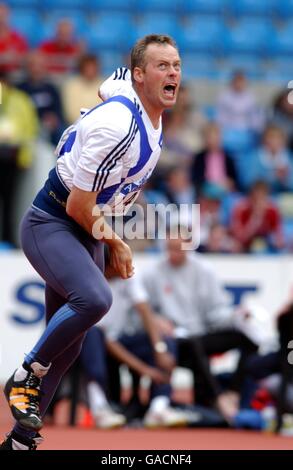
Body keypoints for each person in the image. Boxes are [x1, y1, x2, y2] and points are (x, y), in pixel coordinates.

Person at [0, 34, 181, 450]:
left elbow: (109, 85)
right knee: (96, 299)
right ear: (139, 75)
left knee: (68, 344)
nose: (172, 72)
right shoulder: (119, 124)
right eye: (161, 66)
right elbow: (80, 204)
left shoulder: (137, 103)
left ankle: (21, 439)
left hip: (86, 228)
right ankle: (25, 374)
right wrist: (117, 243)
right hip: (53, 222)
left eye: (176, 65)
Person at [141, 227, 259, 423]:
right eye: (169, 248)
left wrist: (236, 315)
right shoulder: (153, 274)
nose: (173, 254)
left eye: (178, 249)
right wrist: (155, 319)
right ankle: (219, 399)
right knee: (193, 343)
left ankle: (233, 393)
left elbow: (217, 312)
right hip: (175, 339)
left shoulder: (205, 270)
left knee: (249, 339)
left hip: (202, 333)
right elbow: (142, 309)